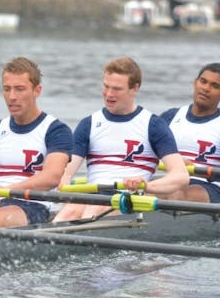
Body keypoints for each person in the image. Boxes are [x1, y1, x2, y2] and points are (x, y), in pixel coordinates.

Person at [53, 57, 189, 222]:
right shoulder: (89, 124)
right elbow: (66, 169)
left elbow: (181, 176)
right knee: (69, 212)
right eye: (106, 86)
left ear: (134, 89)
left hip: (129, 200)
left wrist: (147, 186)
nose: (109, 94)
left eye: (117, 89)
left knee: (93, 209)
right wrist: (63, 177)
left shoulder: (153, 125)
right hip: (93, 196)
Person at [0, 57, 72, 227]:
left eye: (19, 89)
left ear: (37, 90)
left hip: (33, 205)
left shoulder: (55, 130)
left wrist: (9, 190)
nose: (12, 97)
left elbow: (51, 177)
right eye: (7, 89)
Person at [159, 63, 220, 203]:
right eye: (203, 81)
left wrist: (200, 170)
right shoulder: (170, 117)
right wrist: (173, 164)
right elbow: (144, 151)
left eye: (214, 86)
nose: (206, 88)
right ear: (195, 82)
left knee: (176, 194)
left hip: (208, 188)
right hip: (171, 183)